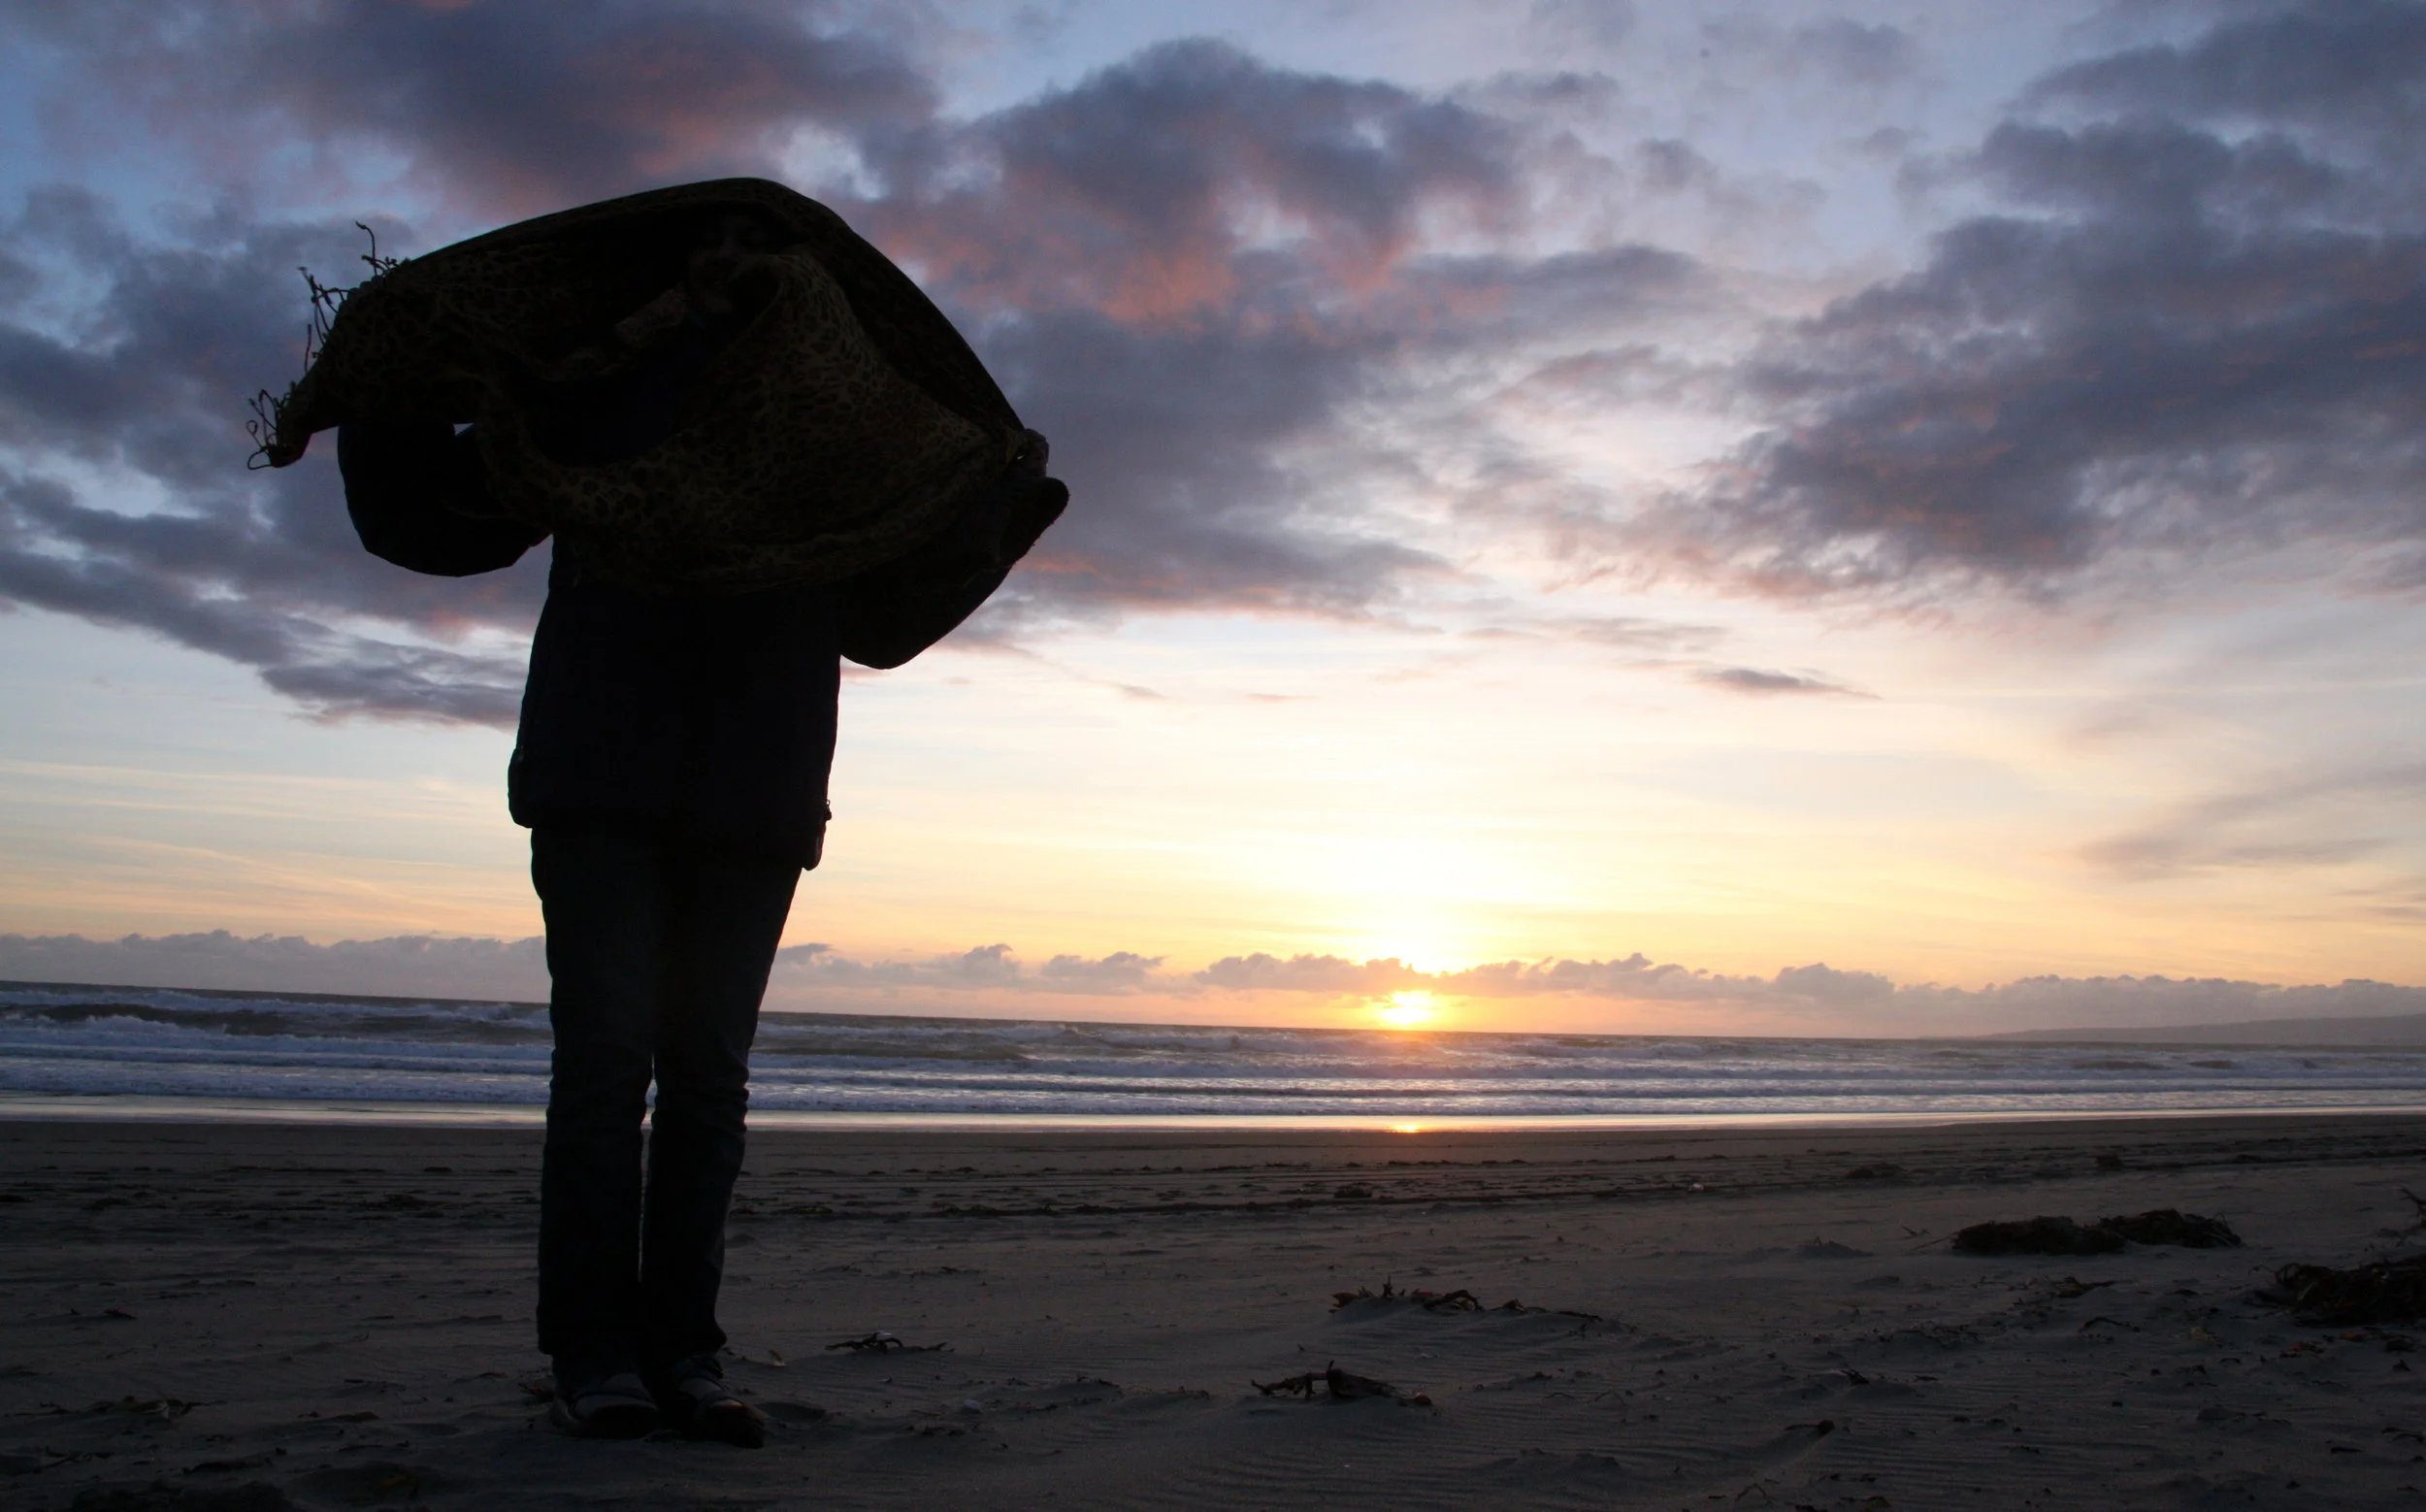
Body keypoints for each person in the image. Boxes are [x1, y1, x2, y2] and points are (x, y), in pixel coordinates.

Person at [335, 210, 1065, 1445]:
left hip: (756, 782)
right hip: (599, 766)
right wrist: (375, 382)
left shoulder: (842, 423)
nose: (733, 272)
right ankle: (594, 1355)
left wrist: (993, 499)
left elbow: (883, 613)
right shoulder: (600, 381)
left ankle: (684, 1351)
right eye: (712, 250)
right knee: (610, 1060)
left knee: (708, 1078)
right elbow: (442, 512)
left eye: (766, 259)